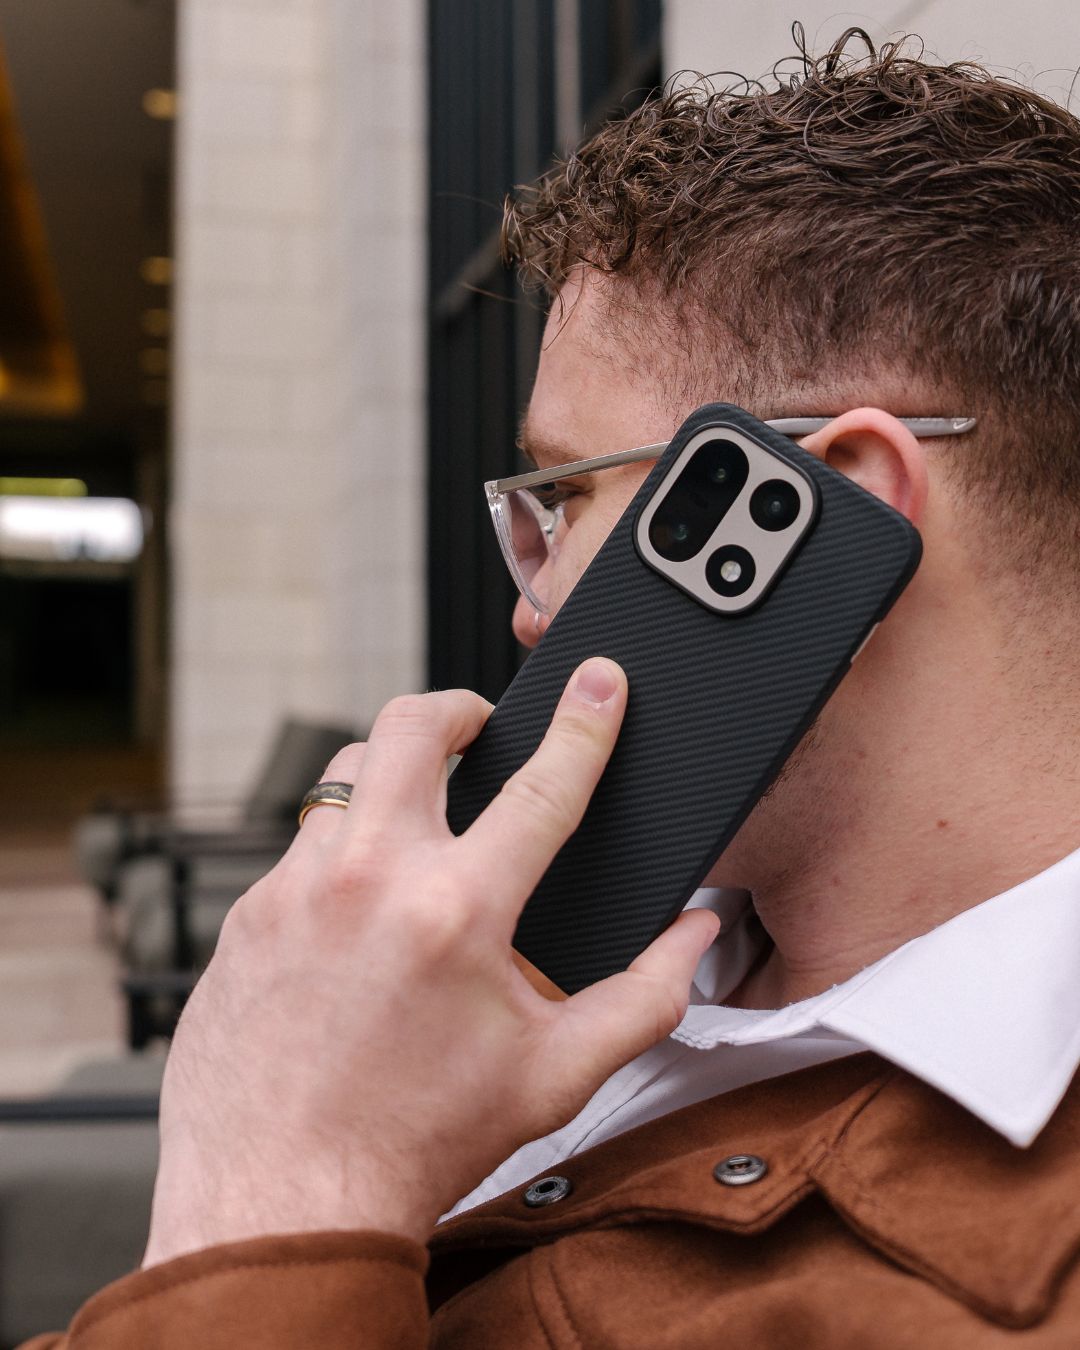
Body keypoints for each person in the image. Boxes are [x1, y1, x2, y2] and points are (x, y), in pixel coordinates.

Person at [25, 29, 1080, 1347]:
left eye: (566, 497)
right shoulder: (583, 940)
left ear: (829, 514)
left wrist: (284, 1191)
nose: (528, 601)